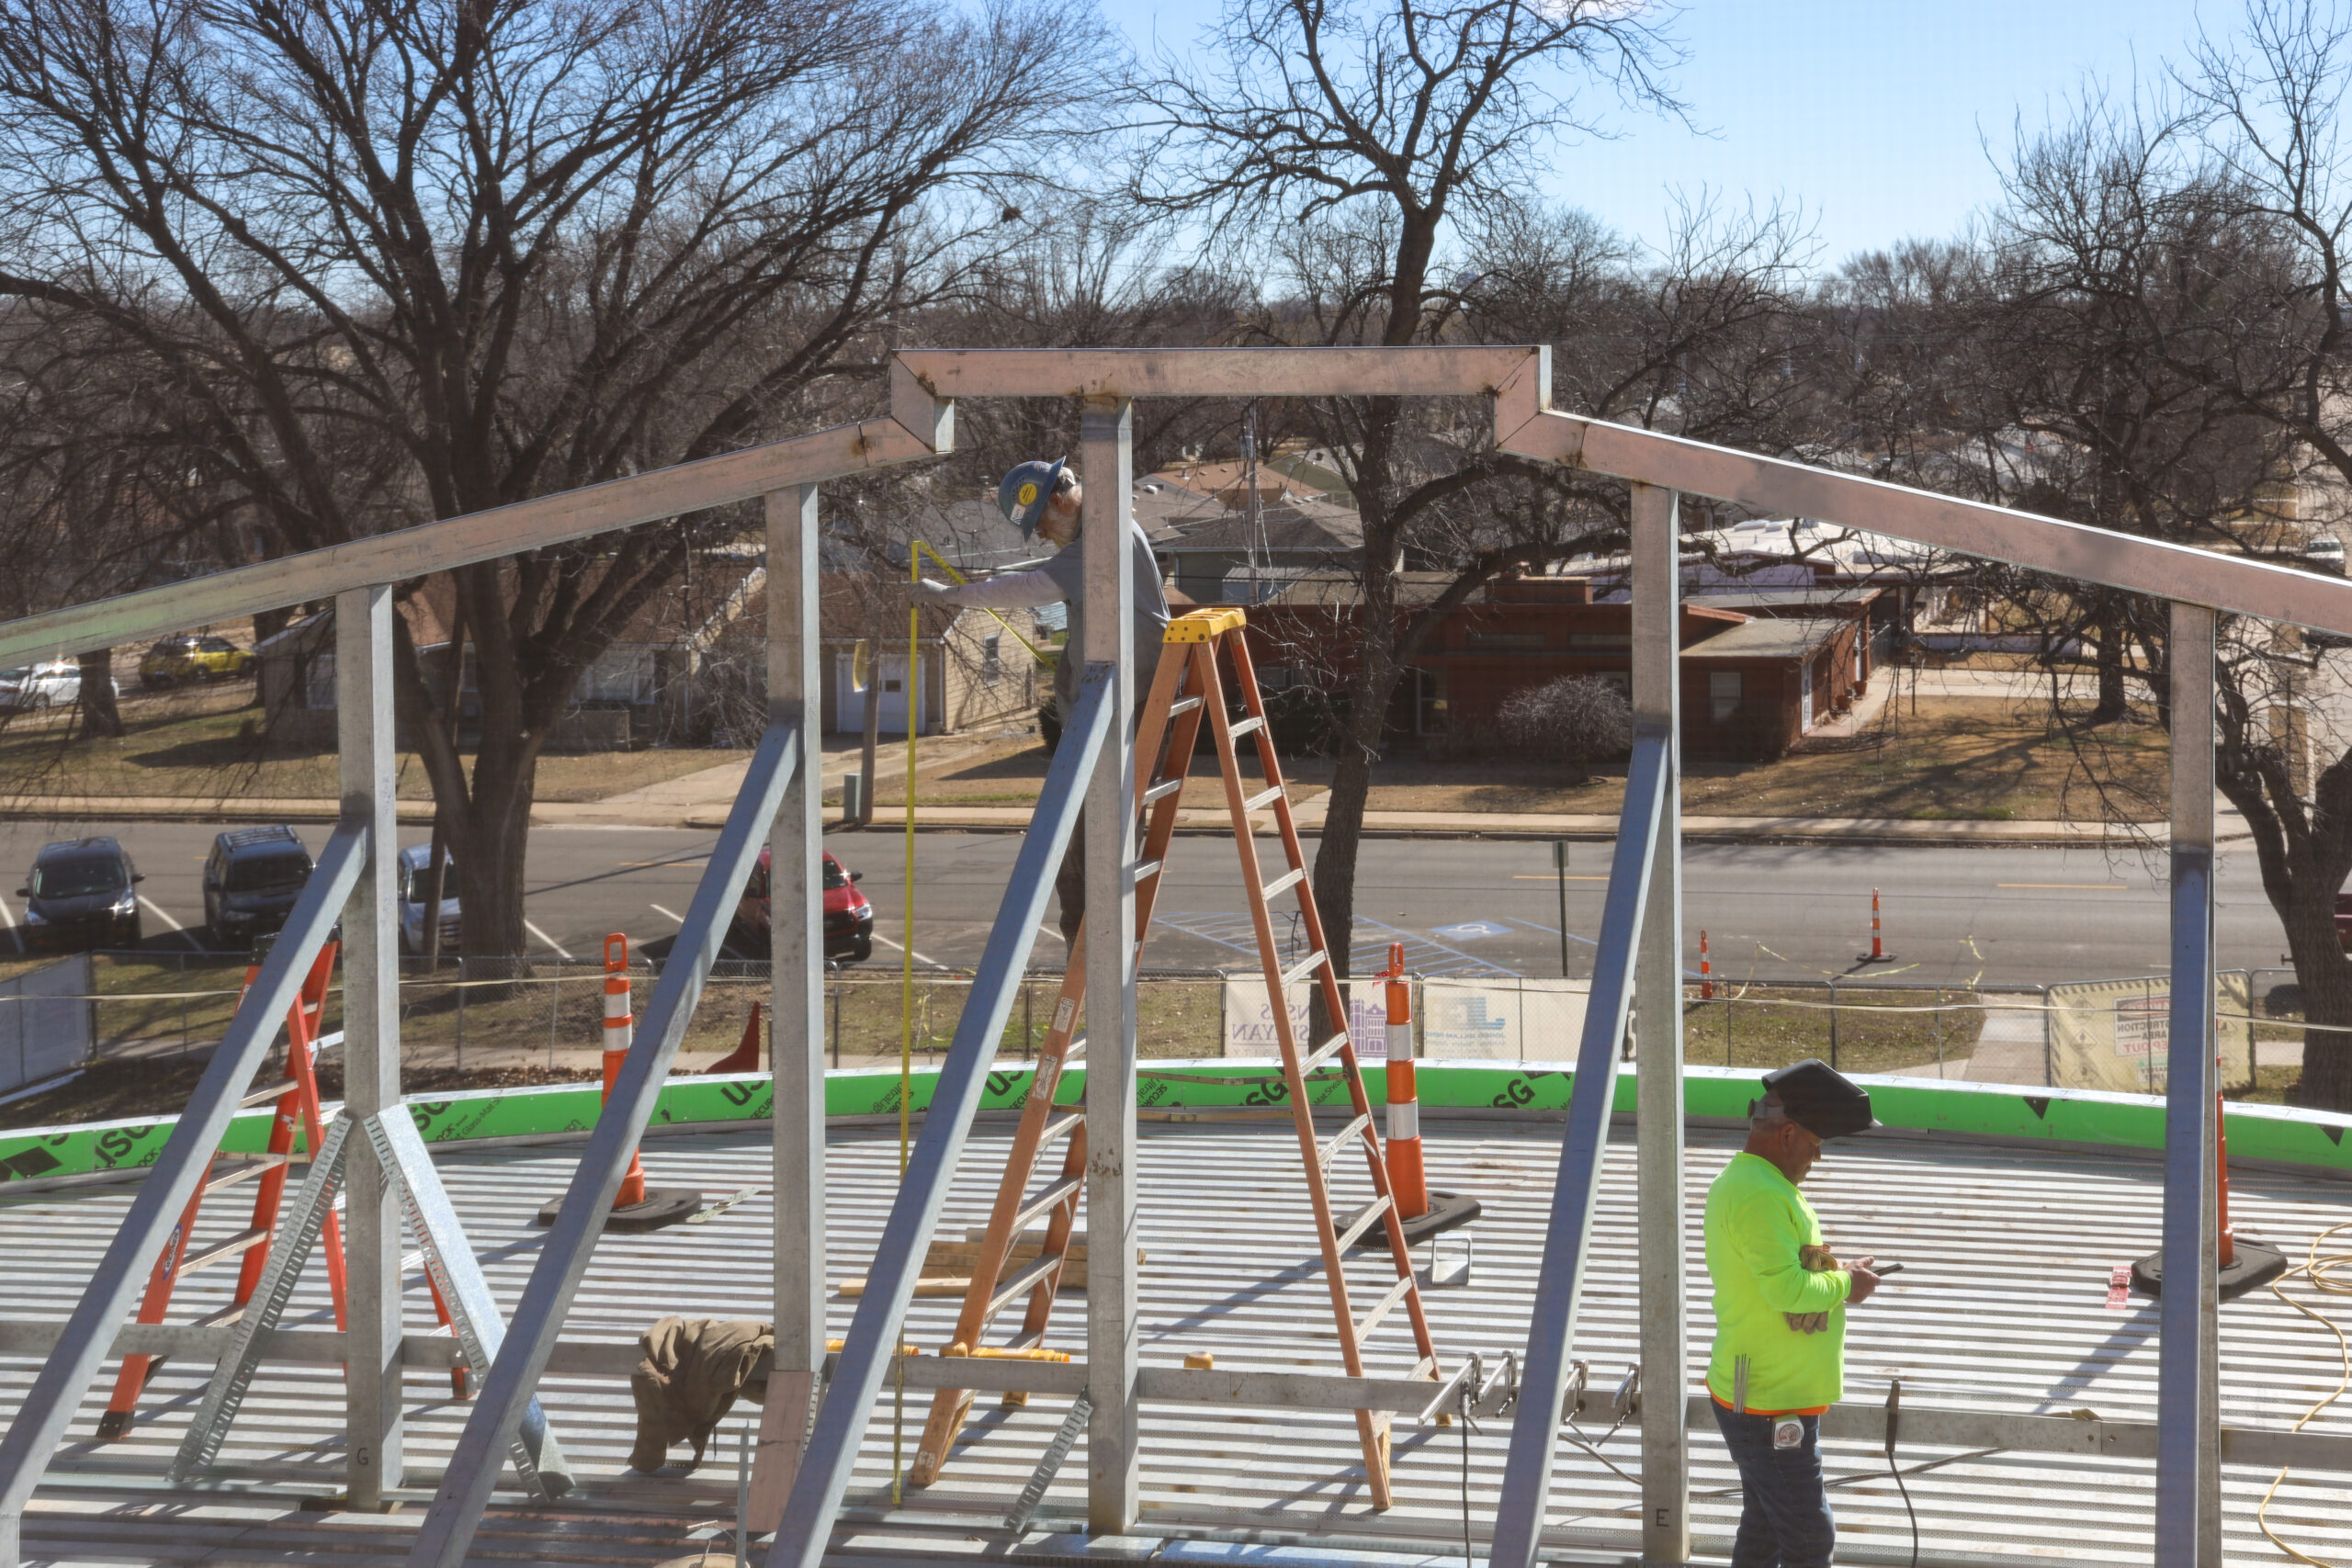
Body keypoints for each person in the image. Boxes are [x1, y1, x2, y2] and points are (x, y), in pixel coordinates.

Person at [916, 457, 1170, 945]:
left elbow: (1029, 587)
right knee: (1094, 822)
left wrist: (949, 595)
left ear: (1058, 499)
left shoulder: (1098, 539)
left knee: (1083, 831)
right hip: (1120, 695)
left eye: (1041, 525)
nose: (1043, 537)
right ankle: (1093, 932)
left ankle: (1089, 938)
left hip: (1122, 701)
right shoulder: (1102, 532)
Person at [1704, 1058, 1884, 1568]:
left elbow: (1786, 1270)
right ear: (1786, 1133)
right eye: (1814, 1144)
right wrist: (1846, 1283)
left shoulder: (1760, 1185)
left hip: (1775, 1393)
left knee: (1764, 1527)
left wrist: (1835, 1270)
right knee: (1808, 1535)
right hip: (1767, 1400)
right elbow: (1786, 1289)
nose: (1818, 1158)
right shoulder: (1758, 1195)